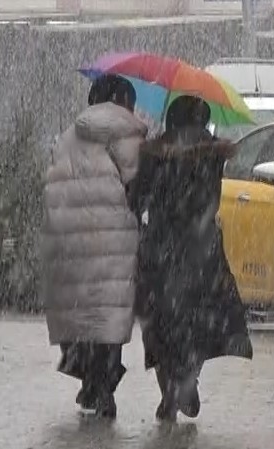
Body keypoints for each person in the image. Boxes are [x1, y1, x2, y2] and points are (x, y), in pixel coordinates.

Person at [130, 95, 253, 422]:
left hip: (161, 248)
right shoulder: (213, 153)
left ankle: (169, 392)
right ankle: (188, 378)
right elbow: (213, 198)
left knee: (159, 324)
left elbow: (137, 199)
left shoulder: (154, 152)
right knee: (199, 322)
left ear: (172, 118)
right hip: (202, 248)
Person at [40, 74, 148, 418]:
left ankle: (89, 379)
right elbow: (138, 185)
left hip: (67, 239)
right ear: (122, 101)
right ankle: (103, 387)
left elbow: (52, 185)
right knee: (109, 317)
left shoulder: (66, 137)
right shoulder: (128, 134)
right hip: (113, 239)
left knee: (79, 314)